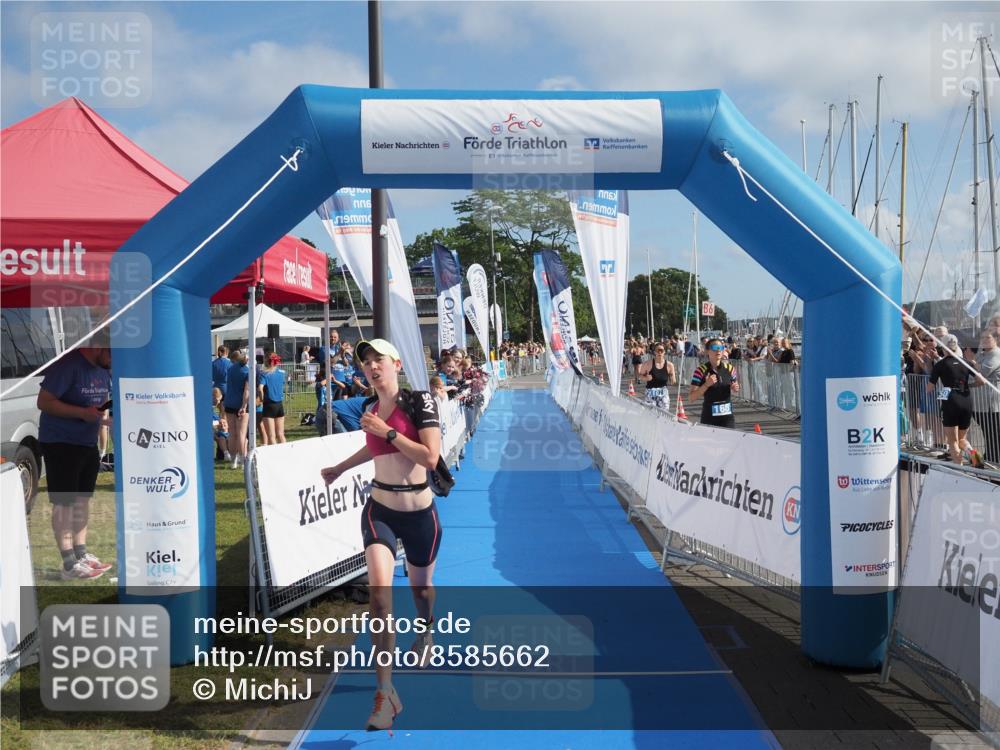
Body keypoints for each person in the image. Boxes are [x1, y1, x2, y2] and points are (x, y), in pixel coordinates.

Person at [319, 339, 442, 731]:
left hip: (420, 513)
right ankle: (385, 693)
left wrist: (388, 432)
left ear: (396, 363)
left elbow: (430, 457)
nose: (372, 367)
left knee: (422, 591)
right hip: (380, 511)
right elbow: (375, 451)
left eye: (379, 360)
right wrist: (339, 468)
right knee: (379, 597)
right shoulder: (370, 409)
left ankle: (425, 633)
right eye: (366, 362)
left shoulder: (419, 402)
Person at [37, 338, 114, 580]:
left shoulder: (102, 369)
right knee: (64, 503)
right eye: (113, 355)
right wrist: (82, 413)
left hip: (86, 442)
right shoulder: (68, 364)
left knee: (82, 500)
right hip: (60, 442)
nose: (114, 363)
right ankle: (69, 564)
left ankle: (81, 554)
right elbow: (43, 402)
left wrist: (103, 419)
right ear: (102, 346)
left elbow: (97, 407)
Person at [929, 334, 982, 466]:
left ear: (943, 347)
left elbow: (929, 388)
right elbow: (981, 381)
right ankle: (974, 456)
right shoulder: (967, 362)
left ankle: (961, 469)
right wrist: (969, 385)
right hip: (966, 399)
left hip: (951, 401)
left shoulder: (940, 365)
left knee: (952, 440)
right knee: (962, 439)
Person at [689, 338, 740, 428]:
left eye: (720, 347)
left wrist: (735, 388)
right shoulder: (700, 371)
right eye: (715, 347)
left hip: (727, 418)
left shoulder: (730, 369)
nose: (718, 350)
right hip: (709, 417)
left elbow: (735, 387)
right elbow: (691, 398)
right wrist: (706, 385)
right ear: (707, 351)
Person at [971, 331, 1000, 464]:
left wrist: (972, 361)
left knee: (993, 432)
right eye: (982, 337)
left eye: (987, 337)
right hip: (979, 403)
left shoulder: (996, 353)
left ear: (995, 339)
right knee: (987, 432)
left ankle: (993, 458)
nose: (983, 340)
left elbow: (983, 372)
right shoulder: (981, 354)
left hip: (991, 404)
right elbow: (972, 373)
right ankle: (990, 456)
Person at [223, 350, 250, 468]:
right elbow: (247, 391)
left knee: (232, 433)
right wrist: (244, 406)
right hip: (240, 404)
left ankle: (234, 460)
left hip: (229, 402)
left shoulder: (230, 369)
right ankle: (243, 460)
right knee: (241, 433)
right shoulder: (247, 371)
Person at [258, 352, 287, 445]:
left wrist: (262, 399)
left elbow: (260, 388)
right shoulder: (281, 374)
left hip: (269, 404)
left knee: (271, 435)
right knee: (281, 434)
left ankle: (274, 457)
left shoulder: (264, 374)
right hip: (279, 405)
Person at [638, 343, 676, 411]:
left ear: (664, 352)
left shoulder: (670, 365)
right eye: (658, 350)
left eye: (661, 350)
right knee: (651, 414)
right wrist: (646, 378)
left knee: (664, 414)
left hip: (663, 392)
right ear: (654, 352)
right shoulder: (647, 364)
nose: (660, 352)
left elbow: (673, 379)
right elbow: (640, 375)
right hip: (650, 392)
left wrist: (672, 379)